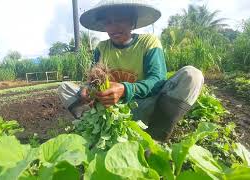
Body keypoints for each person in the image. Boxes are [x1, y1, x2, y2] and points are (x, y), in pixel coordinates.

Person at [58, 0, 204, 141]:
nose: (114, 27)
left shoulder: (148, 42)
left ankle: (156, 135)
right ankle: (95, 125)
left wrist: (125, 90)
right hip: (111, 110)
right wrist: (88, 89)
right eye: (108, 22)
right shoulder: (102, 48)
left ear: (132, 22)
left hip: (144, 107)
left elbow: (157, 81)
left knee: (192, 75)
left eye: (120, 20)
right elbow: (93, 81)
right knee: (65, 88)